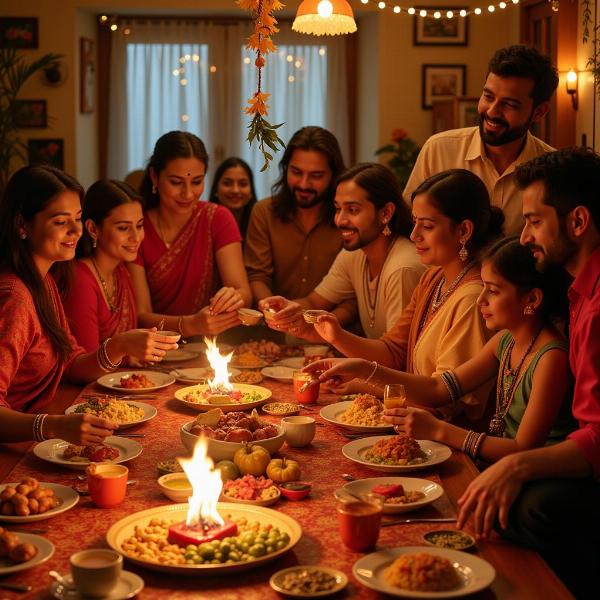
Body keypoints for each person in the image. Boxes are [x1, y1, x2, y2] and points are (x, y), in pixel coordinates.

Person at [455, 148, 600, 599]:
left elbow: (596, 437)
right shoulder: (579, 293)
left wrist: (518, 463)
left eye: (534, 221)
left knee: (527, 506)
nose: (523, 236)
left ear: (577, 222)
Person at [307, 237, 574, 461]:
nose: (480, 299)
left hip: (530, 474)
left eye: (492, 291)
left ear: (532, 299)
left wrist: (439, 430)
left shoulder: (551, 357)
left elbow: (522, 450)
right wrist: (363, 369)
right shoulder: (504, 341)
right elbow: (438, 390)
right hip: (497, 462)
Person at [303, 169, 504, 421]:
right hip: (414, 422)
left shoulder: (472, 298)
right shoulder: (434, 278)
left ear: (464, 231)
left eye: (427, 226)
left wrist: (367, 378)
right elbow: (393, 351)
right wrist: (336, 335)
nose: (414, 234)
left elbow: (447, 399)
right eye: (415, 221)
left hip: (448, 437)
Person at [0, 166, 167, 444]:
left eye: (78, 218)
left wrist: (121, 345)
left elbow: (72, 363)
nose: (76, 230)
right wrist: (53, 427)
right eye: (60, 221)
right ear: (22, 224)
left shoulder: (45, 281)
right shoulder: (15, 297)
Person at [404, 45, 558, 236]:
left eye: (509, 104)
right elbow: (408, 225)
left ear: (539, 112)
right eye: (488, 96)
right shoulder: (439, 149)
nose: (492, 111)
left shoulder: (552, 170)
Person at [259, 163, 424, 339]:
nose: (340, 220)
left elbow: (397, 355)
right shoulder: (354, 254)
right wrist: (285, 309)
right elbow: (314, 302)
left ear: (386, 213)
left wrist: (330, 336)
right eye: (338, 209)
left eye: (352, 210)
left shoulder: (402, 268)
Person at [129, 131, 252, 337]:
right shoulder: (136, 226)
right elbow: (141, 315)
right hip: (152, 347)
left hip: (210, 349)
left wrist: (234, 297)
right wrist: (190, 325)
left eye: (196, 182)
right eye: (176, 182)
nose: (187, 194)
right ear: (154, 176)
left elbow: (244, 292)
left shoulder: (218, 218)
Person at [62, 180, 177, 361]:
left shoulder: (121, 272)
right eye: (123, 228)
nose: (136, 237)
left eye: (139, 225)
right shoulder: (81, 280)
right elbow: (86, 362)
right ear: (93, 229)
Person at [244, 126, 346, 302]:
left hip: (329, 324)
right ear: (285, 169)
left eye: (316, 175)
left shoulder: (346, 218)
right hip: (272, 323)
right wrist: (274, 311)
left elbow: (350, 290)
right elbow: (257, 276)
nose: (304, 184)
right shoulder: (264, 212)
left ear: (333, 176)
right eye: (296, 172)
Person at [209, 157, 257, 239]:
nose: (235, 190)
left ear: (251, 191)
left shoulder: (259, 225)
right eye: (227, 183)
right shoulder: (204, 223)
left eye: (243, 184)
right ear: (216, 190)